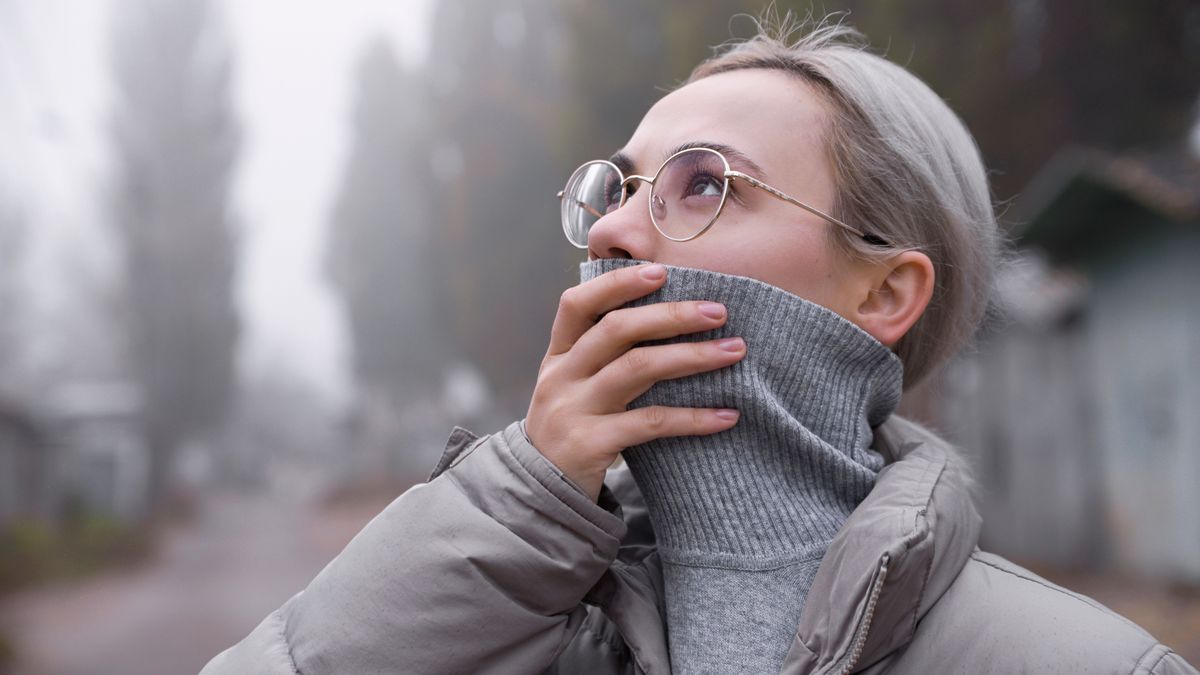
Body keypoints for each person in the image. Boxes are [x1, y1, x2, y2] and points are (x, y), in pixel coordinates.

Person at [201, 14, 1197, 675]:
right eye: (617, 188)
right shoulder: (508, 626)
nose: (610, 234)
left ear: (887, 290)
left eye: (706, 183)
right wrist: (516, 510)